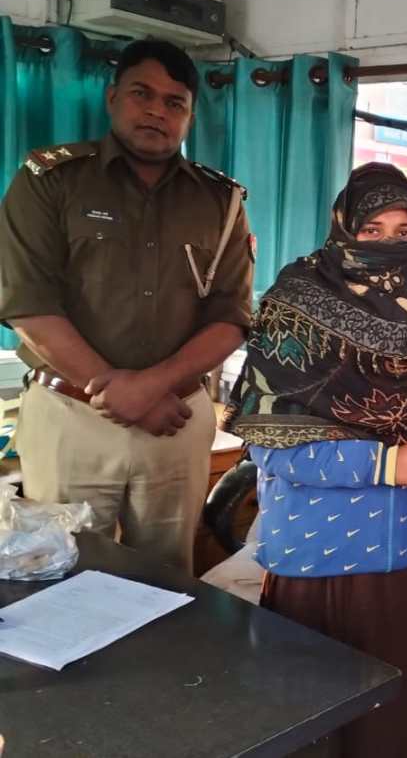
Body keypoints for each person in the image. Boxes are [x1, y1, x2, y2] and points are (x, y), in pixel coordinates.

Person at [223, 162, 407, 758]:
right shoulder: (296, 301)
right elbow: (270, 442)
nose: (389, 244)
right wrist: (385, 465)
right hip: (320, 559)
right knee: (315, 723)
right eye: (371, 230)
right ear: (344, 231)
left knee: (394, 728)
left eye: (404, 231)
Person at [0, 39, 254, 573]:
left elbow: (231, 316)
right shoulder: (50, 180)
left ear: (189, 117)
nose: (157, 110)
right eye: (143, 94)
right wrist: (121, 391)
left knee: (169, 578)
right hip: (71, 416)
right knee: (61, 573)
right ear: (113, 97)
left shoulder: (220, 201)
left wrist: (150, 388)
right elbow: (28, 302)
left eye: (174, 102)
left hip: (175, 420)